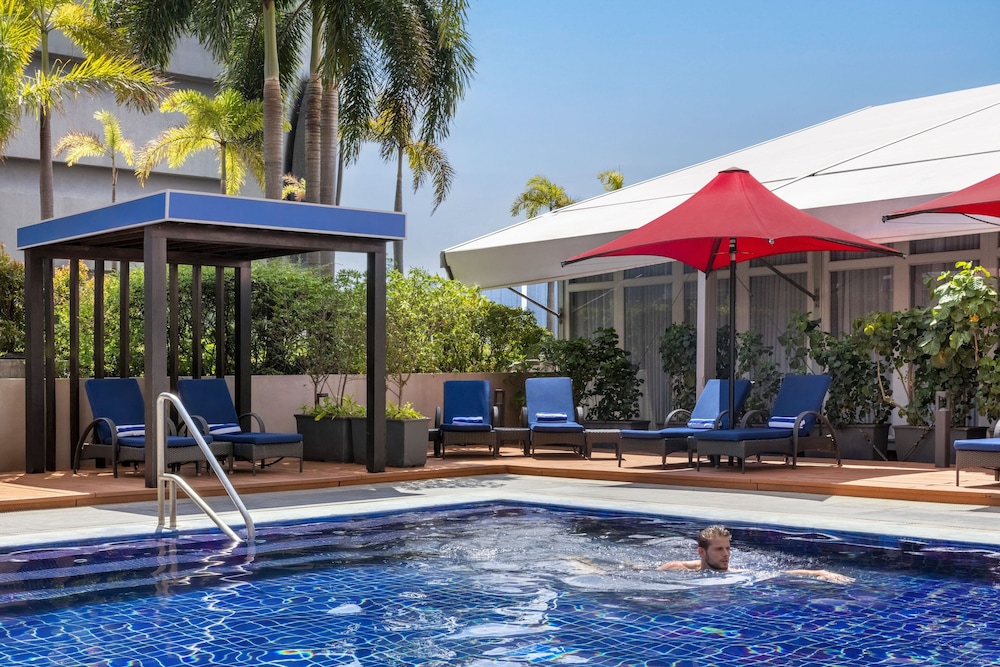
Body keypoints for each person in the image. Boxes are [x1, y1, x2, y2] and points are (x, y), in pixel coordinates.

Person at [658, 524, 854, 584]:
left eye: (728, 548)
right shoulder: (675, 568)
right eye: (719, 549)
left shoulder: (735, 573)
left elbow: (780, 574)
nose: (726, 554)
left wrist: (818, 572)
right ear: (701, 552)